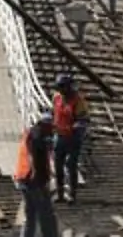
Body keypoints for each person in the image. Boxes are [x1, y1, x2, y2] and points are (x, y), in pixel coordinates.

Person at [14, 112, 58, 237]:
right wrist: (40, 179)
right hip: (32, 179)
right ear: (45, 125)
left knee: (31, 215)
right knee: (45, 213)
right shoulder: (37, 135)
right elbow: (34, 157)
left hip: (24, 178)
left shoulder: (32, 133)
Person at [51, 74, 90, 203]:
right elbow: (54, 114)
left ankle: (72, 194)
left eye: (63, 88)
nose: (61, 91)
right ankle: (60, 193)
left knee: (71, 165)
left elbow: (83, 120)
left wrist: (74, 129)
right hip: (59, 136)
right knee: (58, 165)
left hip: (73, 138)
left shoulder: (78, 101)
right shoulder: (57, 98)